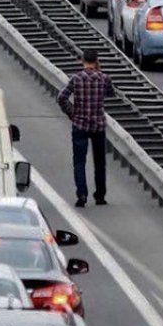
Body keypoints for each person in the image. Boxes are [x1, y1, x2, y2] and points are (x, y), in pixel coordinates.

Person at [56, 48, 117, 207]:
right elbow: (111, 93)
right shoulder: (104, 78)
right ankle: (100, 195)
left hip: (80, 124)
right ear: (97, 61)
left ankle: (82, 194)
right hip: (98, 125)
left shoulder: (76, 79)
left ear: (82, 60)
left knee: (79, 162)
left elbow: (61, 97)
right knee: (99, 162)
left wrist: (72, 113)